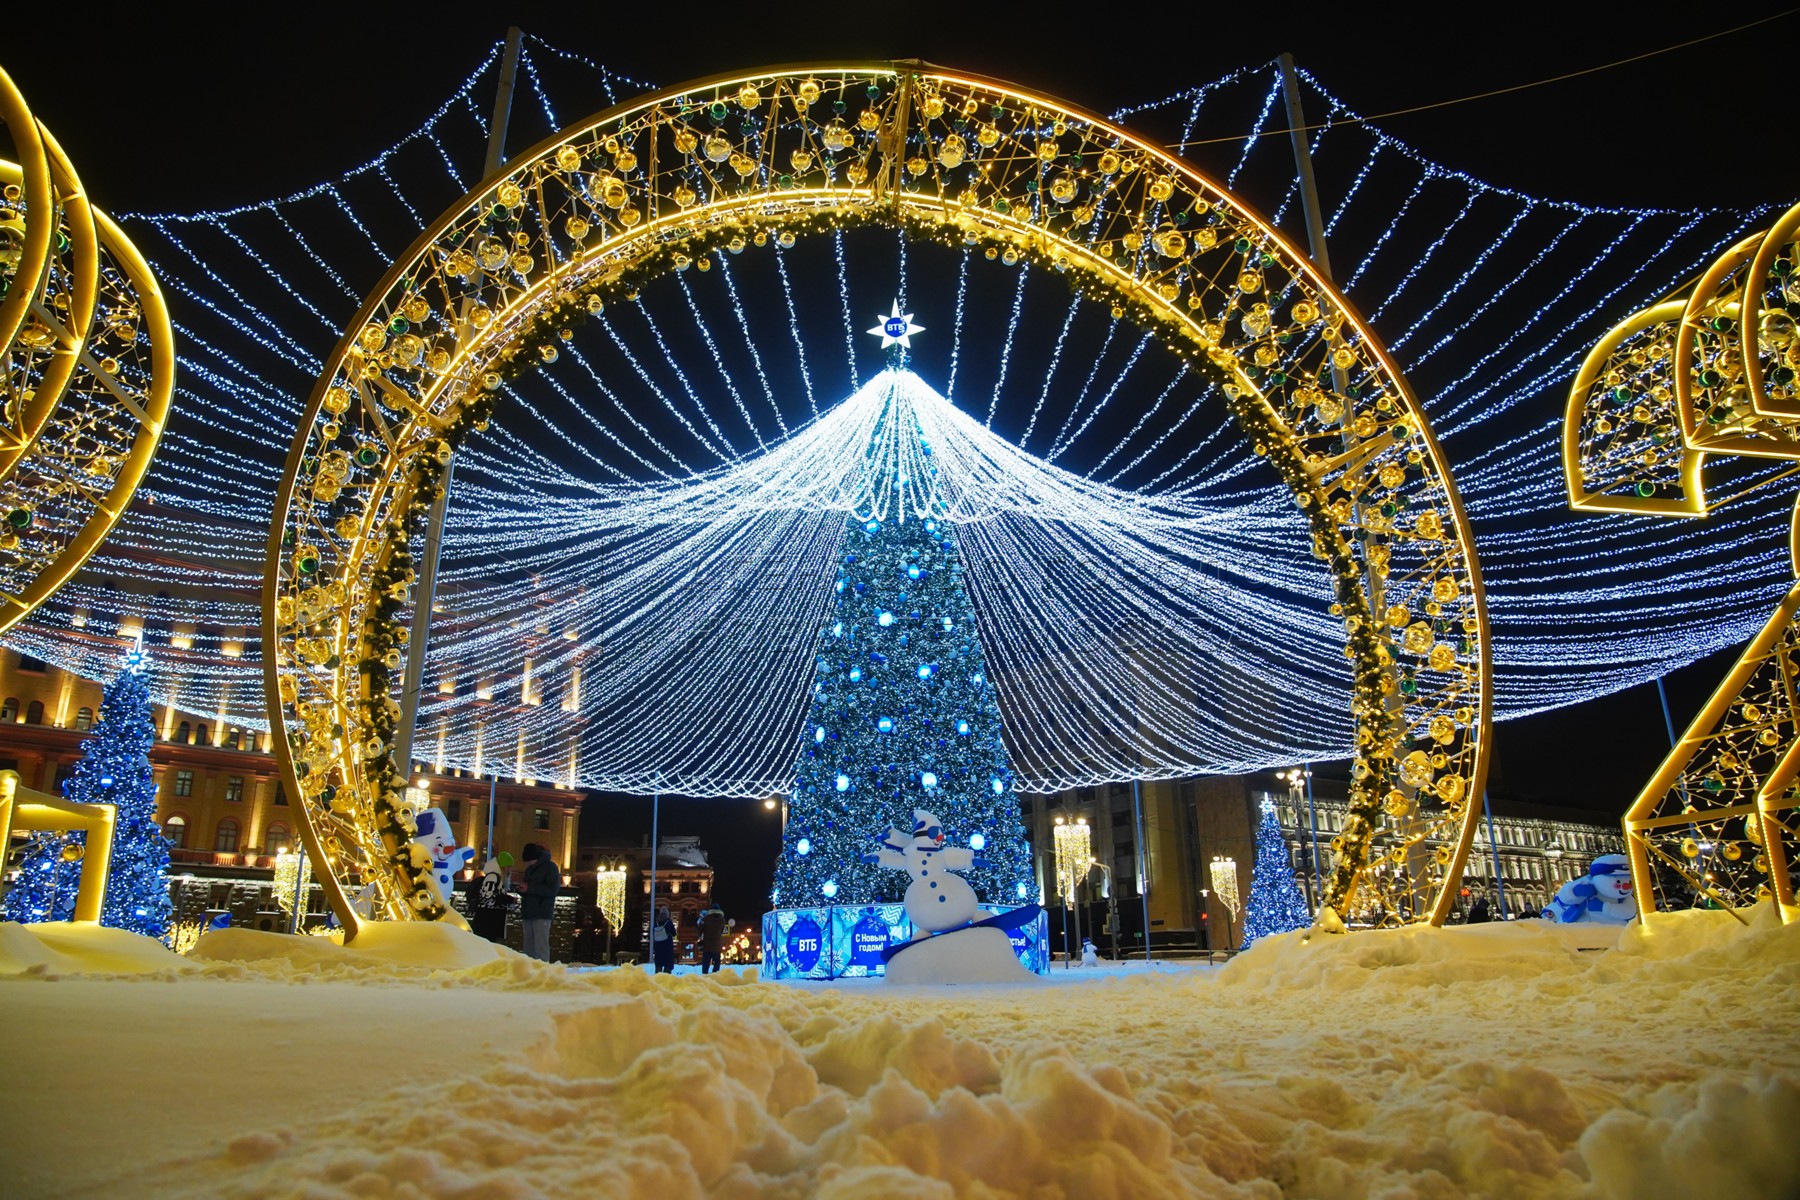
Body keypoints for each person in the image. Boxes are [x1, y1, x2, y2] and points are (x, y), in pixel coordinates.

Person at [518, 842, 561, 962]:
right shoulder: (529, 869)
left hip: (542, 912)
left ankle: (543, 972)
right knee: (528, 947)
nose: (528, 863)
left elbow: (553, 890)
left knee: (540, 946)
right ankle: (530, 971)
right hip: (528, 912)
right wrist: (522, 890)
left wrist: (529, 889)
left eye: (529, 861)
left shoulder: (550, 867)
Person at [469, 852, 517, 944]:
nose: (510, 870)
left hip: (490, 920)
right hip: (488, 920)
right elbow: (487, 898)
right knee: (486, 945)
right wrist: (507, 900)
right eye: (508, 867)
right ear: (503, 867)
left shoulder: (496, 878)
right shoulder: (493, 877)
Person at [697, 903, 730, 974]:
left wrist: (700, 935)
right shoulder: (722, 920)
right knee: (717, 960)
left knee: (706, 961)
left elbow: (700, 930)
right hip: (717, 944)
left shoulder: (705, 919)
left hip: (707, 944)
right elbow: (721, 931)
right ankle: (715, 974)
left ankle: (705, 975)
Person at [650, 903, 677, 974]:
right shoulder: (669, 922)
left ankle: (658, 977)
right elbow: (674, 933)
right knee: (667, 963)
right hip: (667, 946)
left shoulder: (656, 922)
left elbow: (653, 932)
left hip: (658, 945)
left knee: (659, 962)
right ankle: (666, 977)